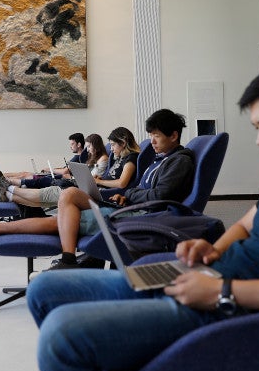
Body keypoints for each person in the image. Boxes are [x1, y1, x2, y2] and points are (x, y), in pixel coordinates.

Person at [25, 65, 259, 371]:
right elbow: (249, 221)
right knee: (43, 289)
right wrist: (213, 251)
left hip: (230, 312)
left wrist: (222, 291)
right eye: (257, 127)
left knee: (62, 337)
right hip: (204, 279)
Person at [48, 109, 195, 271]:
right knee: (67, 207)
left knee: (63, 218)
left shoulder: (179, 161)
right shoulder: (160, 159)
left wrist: (130, 194)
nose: (152, 141)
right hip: (131, 207)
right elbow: (141, 188)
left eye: (157, 136)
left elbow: (157, 195)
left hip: (143, 216)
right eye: (151, 135)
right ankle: (86, 258)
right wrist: (129, 196)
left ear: (173, 136)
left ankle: (69, 260)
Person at [0, 129, 140, 244]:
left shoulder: (130, 159)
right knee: (47, 195)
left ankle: (3, 191)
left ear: (123, 143)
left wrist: (98, 181)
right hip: (95, 194)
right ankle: (4, 191)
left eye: (114, 144)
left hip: (102, 199)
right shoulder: (117, 159)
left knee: (57, 200)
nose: (112, 148)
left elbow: (122, 183)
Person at [0, 133, 112, 209]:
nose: (88, 149)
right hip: (75, 185)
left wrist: (70, 177)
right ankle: (3, 188)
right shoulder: (89, 158)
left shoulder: (101, 159)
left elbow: (92, 179)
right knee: (39, 196)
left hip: (76, 189)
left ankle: (3, 185)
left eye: (89, 146)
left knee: (40, 191)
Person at [0, 133, 87, 188]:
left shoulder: (80, 157)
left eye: (72, 144)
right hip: (55, 176)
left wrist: (49, 169)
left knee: (24, 174)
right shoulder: (78, 157)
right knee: (23, 173)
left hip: (58, 179)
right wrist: (52, 169)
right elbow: (65, 169)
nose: (70, 147)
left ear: (79, 144)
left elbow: (65, 171)